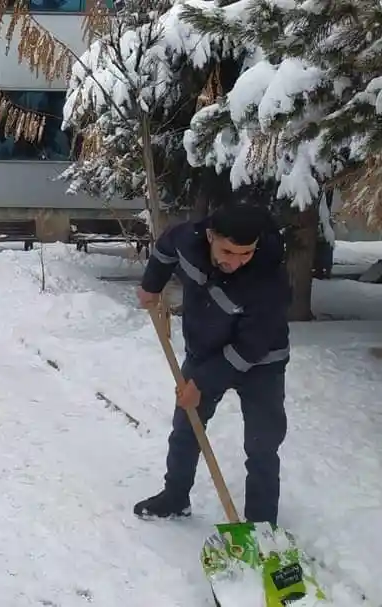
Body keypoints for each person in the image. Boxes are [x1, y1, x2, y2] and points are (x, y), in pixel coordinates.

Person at [134, 204, 290, 526]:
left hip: (261, 362)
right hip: (204, 350)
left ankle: (261, 526)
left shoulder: (269, 281)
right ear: (209, 236)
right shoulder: (188, 240)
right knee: (186, 430)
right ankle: (175, 497)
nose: (235, 262)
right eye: (228, 251)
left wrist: (201, 384)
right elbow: (165, 249)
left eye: (246, 253)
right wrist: (152, 283)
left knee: (262, 445)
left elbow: (249, 348)